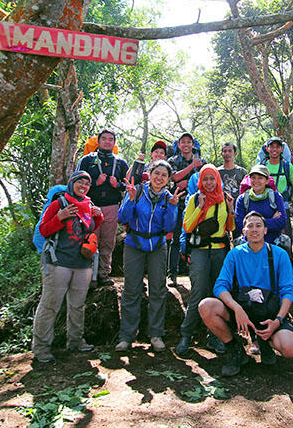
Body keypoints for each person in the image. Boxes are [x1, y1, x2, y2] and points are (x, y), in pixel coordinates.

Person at [198, 212, 293, 376]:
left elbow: (288, 291)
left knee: (289, 349)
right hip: (243, 310)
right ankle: (235, 349)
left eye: (258, 225)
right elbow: (220, 286)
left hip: (269, 314)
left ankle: (265, 342)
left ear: (266, 230)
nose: (254, 230)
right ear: (243, 231)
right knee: (206, 306)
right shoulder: (235, 254)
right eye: (250, 226)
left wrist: (278, 320)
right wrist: (237, 309)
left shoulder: (279, 254)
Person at [33, 171, 104, 363]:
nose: (83, 186)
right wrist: (60, 217)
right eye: (79, 182)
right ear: (71, 183)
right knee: (50, 306)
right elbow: (44, 230)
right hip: (58, 262)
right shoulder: (59, 203)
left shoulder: (88, 205)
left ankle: (75, 342)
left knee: (77, 306)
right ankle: (41, 348)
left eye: (87, 184)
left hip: (82, 263)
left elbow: (88, 230)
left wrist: (98, 217)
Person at [115, 160, 184, 352]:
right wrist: (129, 200)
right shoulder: (136, 191)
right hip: (134, 244)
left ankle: (156, 334)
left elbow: (169, 227)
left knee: (157, 289)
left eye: (164, 175)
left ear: (168, 179)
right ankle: (127, 336)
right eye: (157, 173)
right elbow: (122, 218)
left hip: (157, 246)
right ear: (149, 173)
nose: (159, 178)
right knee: (131, 290)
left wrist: (172, 207)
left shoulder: (169, 198)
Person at [176, 165, 236, 355]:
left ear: (217, 180)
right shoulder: (195, 199)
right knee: (199, 292)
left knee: (218, 294)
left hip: (219, 252)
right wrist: (200, 207)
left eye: (212, 179)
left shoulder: (224, 199)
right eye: (205, 180)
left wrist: (232, 210)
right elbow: (187, 227)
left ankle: (216, 336)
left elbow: (230, 227)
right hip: (200, 252)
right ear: (200, 181)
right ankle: (186, 335)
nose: (209, 183)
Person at [75, 128, 129, 286]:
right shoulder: (87, 160)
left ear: (114, 142)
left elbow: (129, 185)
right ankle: (88, 275)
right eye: (104, 138)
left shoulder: (120, 162)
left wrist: (117, 184)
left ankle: (104, 274)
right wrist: (94, 182)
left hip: (111, 206)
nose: (107, 141)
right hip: (90, 206)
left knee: (107, 241)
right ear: (98, 141)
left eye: (110, 139)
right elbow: (76, 183)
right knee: (90, 239)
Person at [167, 132, 205, 286]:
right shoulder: (173, 160)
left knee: (196, 238)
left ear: (193, 144)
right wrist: (192, 167)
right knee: (176, 239)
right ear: (179, 145)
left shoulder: (202, 161)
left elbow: (205, 180)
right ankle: (172, 274)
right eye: (183, 142)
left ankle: (195, 274)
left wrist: (187, 181)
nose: (186, 145)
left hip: (198, 205)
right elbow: (174, 177)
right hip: (179, 204)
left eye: (189, 142)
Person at [234, 164, 288, 246]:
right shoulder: (242, 199)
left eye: (260, 178)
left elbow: (282, 222)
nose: (256, 181)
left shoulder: (275, 196)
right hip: (249, 247)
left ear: (267, 181)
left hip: (273, 245)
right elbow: (239, 225)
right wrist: (270, 220)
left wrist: (251, 225)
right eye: (253, 178)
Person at [259, 137, 293, 242]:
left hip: (283, 206)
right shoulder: (262, 167)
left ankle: (288, 258)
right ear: (267, 149)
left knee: (286, 239)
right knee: (266, 238)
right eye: (272, 146)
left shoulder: (287, 166)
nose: (274, 149)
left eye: (277, 147)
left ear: (282, 149)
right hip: (265, 206)